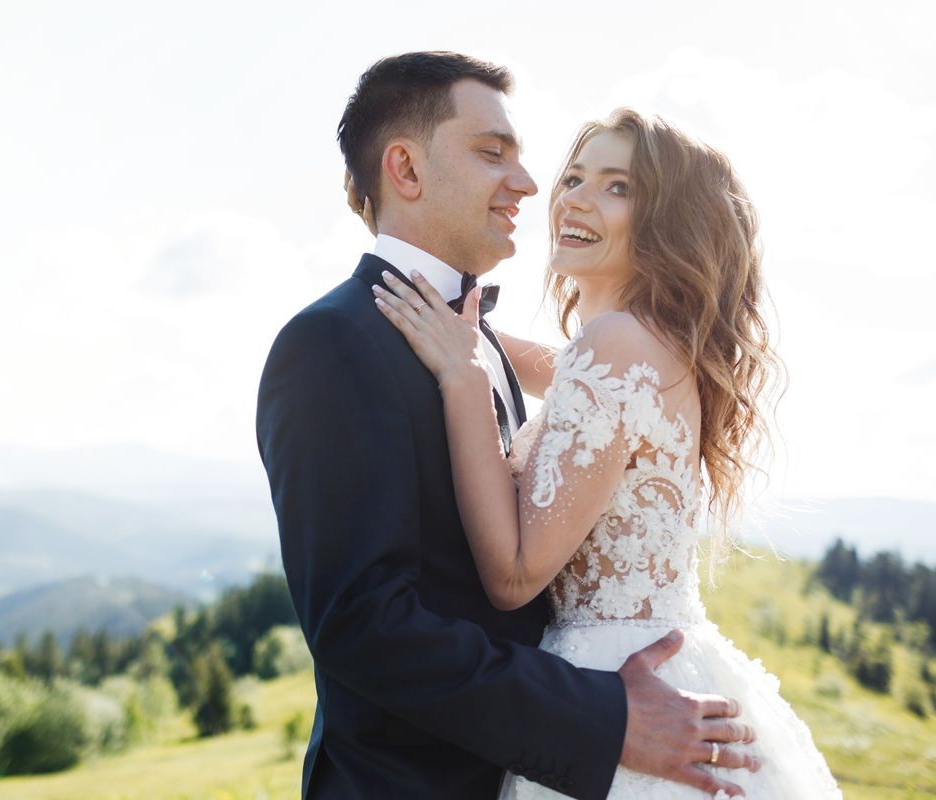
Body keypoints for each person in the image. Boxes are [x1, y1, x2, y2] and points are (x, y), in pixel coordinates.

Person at [256, 52, 757, 800]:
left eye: (614, 186)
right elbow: (365, 626)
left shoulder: (484, 342)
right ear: (406, 169)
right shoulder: (332, 344)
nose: (533, 186)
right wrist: (602, 720)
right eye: (494, 154)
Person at [370, 107, 843, 798]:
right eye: (575, 177)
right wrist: (474, 337)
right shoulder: (647, 347)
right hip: (673, 666)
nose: (576, 199)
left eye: (618, 187)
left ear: (666, 223)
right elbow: (566, 372)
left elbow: (515, 574)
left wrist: (463, 376)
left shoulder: (616, 345)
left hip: (623, 690)